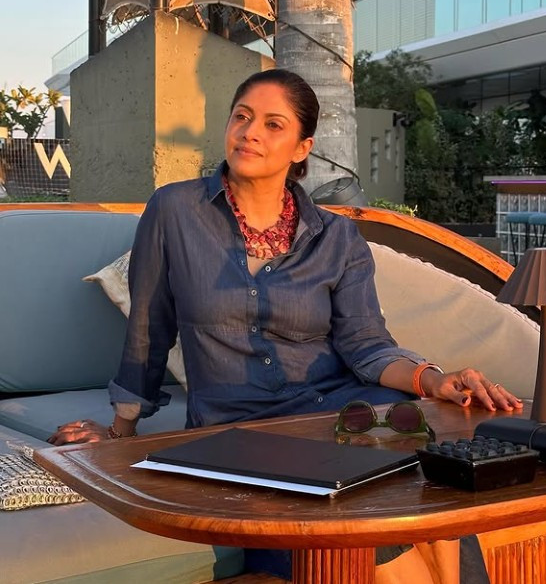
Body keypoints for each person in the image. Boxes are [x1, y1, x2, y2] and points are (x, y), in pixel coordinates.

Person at [49, 68, 521, 581]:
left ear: (302, 148)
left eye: (273, 124)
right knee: (364, 529)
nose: (250, 132)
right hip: (237, 430)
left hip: (338, 413)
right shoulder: (175, 210)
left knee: (431, 481)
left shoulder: (337, 237)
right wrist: (120, 433)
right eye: (242, 117)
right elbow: (149, 329)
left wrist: (434, 380)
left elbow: (365, 344)